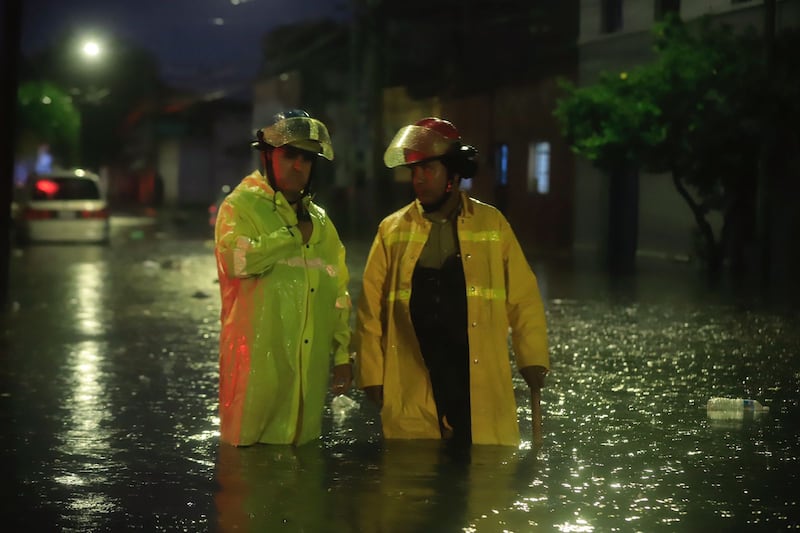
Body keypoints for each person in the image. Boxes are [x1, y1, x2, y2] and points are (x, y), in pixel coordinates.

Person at [354, 117, 549, 446]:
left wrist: (533, 358)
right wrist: (371, 373)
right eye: (414, 170)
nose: (418, 179)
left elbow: (523, 297)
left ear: (453, 173)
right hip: (415, 369)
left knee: (484, 483)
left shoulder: (492, 224)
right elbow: (369, 309)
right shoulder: (392, 229)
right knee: (413, 476)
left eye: (428, 169)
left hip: (475, 375)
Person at [214, 109, 352, 447]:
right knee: (247, 477)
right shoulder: (240, 206)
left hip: (307, 379)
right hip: (256, 373)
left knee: (302, 475)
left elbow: (338, 291)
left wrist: (344, 356)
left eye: (307, 159)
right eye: (289, 155)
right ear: (267, 156)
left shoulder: (320, 221)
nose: (298, 166)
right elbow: (236, 260)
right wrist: (290, 233)